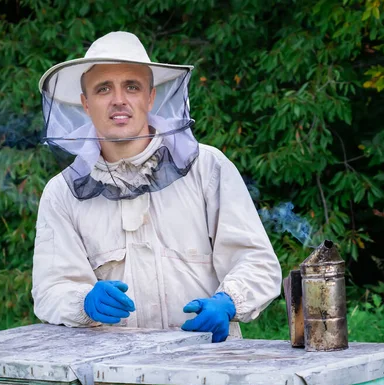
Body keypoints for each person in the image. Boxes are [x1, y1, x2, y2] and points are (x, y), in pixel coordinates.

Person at [31, 31, 282, 342]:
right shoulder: (62, 194)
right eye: (103, 89)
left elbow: (257, 262)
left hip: (211, 366)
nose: (118, 100)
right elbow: (50, 290)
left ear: (150, 97)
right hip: (111, 370)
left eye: (132, 87)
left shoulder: (207, 167)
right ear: (85, 103)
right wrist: (83, 302)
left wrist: (228, 302)